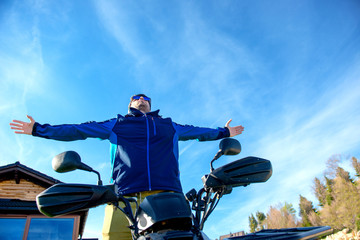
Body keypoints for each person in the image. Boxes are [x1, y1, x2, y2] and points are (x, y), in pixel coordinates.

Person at [10, 93, 244, 240]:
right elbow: (78, 130)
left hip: (168, 197)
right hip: (123, 200)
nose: (141, 99)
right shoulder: (117, 124)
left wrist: (224, 132)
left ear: (150, 105)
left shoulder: (169, 125)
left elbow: (199, 132)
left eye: (145, 98)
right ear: (131, 104)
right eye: (136, 98)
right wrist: (39, 129)